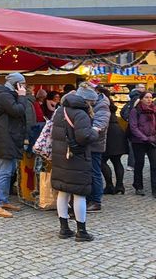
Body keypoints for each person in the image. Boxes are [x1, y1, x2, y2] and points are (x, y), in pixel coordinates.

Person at [51, 85, 99, 242]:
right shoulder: (81, 114)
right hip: (77, 157)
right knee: (79, 193)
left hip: (60, 156)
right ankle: (81, 231)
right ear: (87, 101)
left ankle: (64, 229)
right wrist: (95, 132)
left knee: (63, 191)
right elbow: (83, 137)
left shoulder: (60, 110)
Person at [0, 73, 30, 218]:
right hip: (5, 138)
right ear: (16, 84)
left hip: (9, 137)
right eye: (22, 84)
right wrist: (22, 96)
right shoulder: (4, 96)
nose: (24, 87)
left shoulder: (8, 95)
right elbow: (18, 110)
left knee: (9, 170)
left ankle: (3, 200)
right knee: (4, 171)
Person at [84, 80, 110, 212]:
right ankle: (89, 198)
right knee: (89, 172)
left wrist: (87, 133)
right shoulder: (94, 103)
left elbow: (100, 124)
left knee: (94, 172)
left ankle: (96, 201)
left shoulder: (102, 105)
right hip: (88, 142)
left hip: (95, 143)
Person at [128, 90, 156, 196]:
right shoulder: (135, 111)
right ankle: (138, 186)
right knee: (139, 164)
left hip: (152, 141)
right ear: (142, 99)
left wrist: (153, 137)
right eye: (146, 97)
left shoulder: (153, 110)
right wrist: (144, 138)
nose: (149, 99)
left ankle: (155, 189)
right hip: (139, 141)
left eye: (150, 97)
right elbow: (133, 127)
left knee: (154, 165)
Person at [101, 88, 128, 195]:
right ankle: (120, 186)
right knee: (117, 160)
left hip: (108, 133)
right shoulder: (110, 104)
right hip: (117, 131)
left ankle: (109, 185)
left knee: (101, 161)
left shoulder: (102, 104)